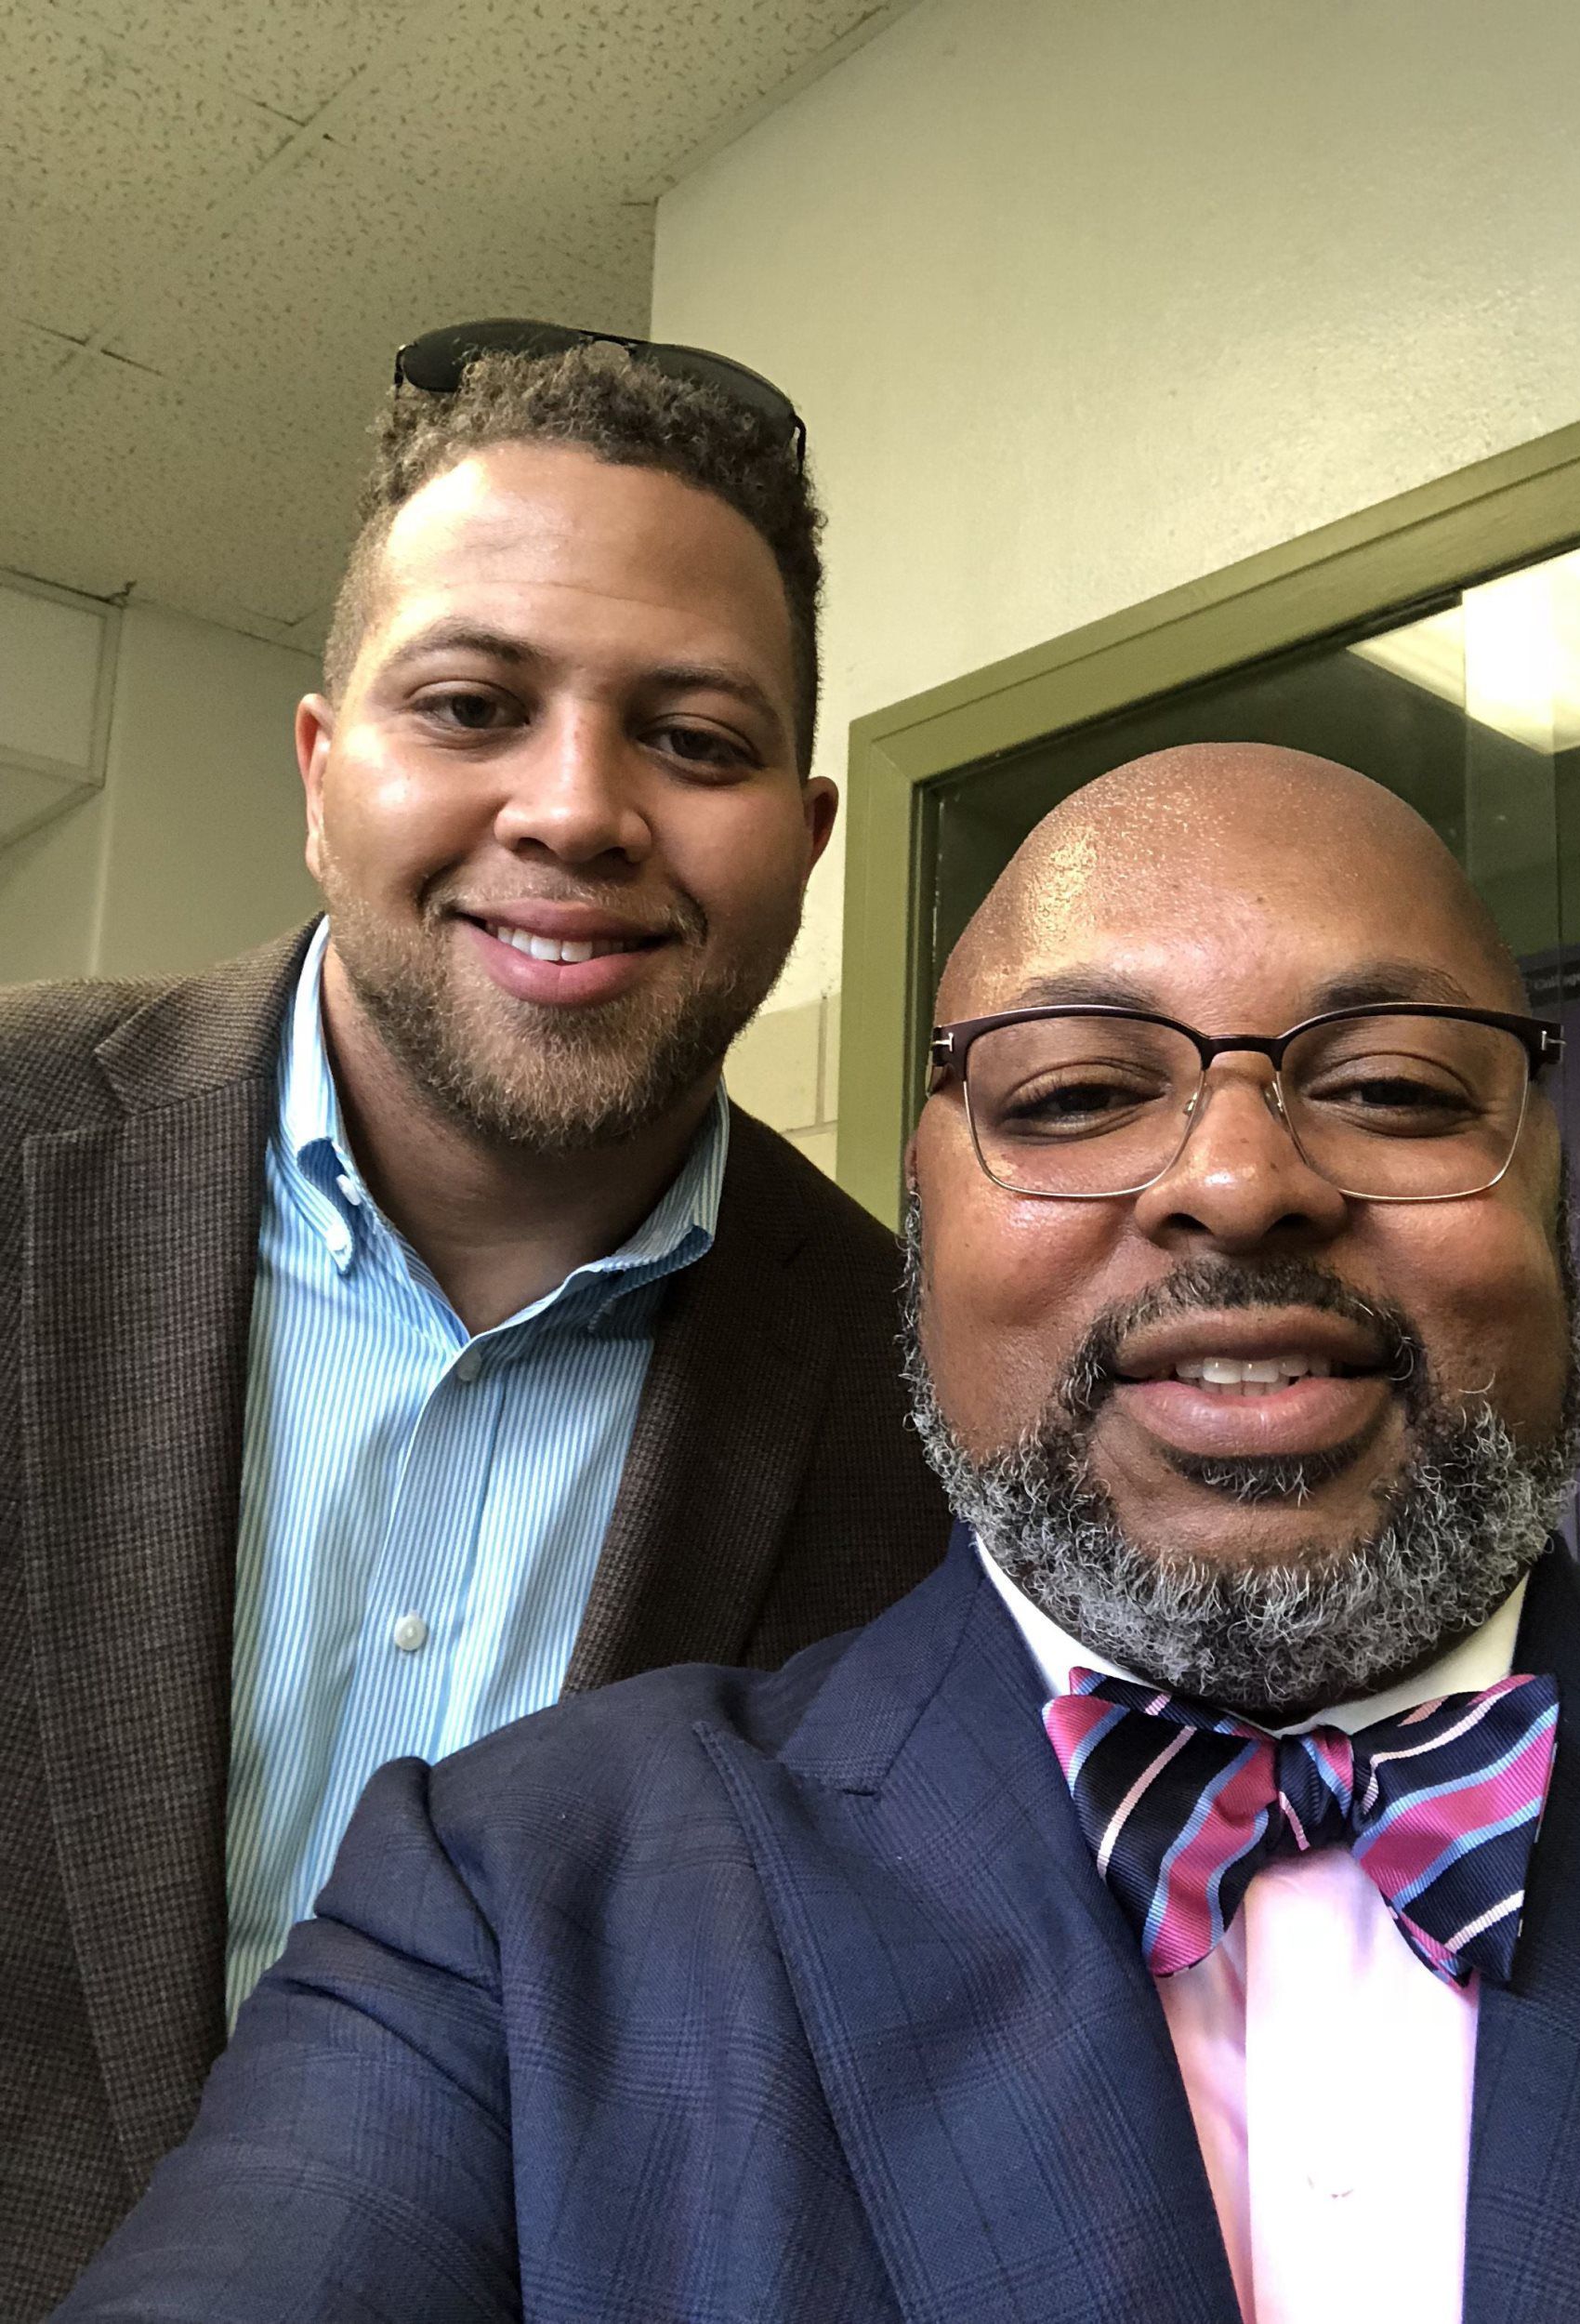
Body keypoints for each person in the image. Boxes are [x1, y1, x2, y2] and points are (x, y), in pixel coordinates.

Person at [50, 745, 1580, 2324]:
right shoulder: (507, 1902)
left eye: (1387, 1086)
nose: (1238, 1184)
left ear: (1553, 1194)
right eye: (1078, 1093)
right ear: (920, 1230)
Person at [2, 322, 949, 2319]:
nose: (577, 808)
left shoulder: (928, 1398)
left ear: (804, 841)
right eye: (471, 704)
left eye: (694, 740)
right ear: (322, 769)